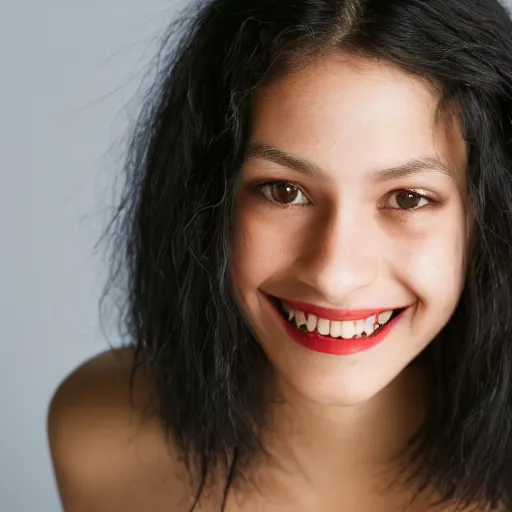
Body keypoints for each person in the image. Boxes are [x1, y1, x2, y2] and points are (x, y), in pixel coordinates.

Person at [47, 0, 512, 510]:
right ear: (204, 201)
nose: (335, 274)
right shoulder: (96, 432)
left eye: (408, 198)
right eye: (284, 192)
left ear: (490, 217)